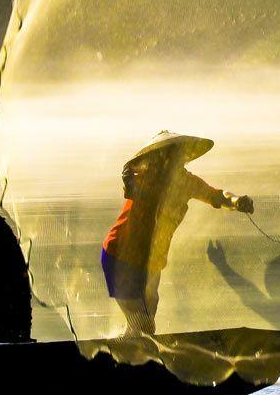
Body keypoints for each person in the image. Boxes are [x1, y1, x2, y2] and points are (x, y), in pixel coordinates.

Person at [101, 133, 254, 336]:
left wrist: (237, 202)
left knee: (146, 318)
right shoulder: (143, 179)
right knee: (143, 324)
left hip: (152, 262)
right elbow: (131, 189)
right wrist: (130, 184)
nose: (174, 159)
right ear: (158, 158)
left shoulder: (186, 182)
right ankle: (128, 350)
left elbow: (217, 196)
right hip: (121, 256)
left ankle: (124, 348)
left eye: (178, 154)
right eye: (168, 155)